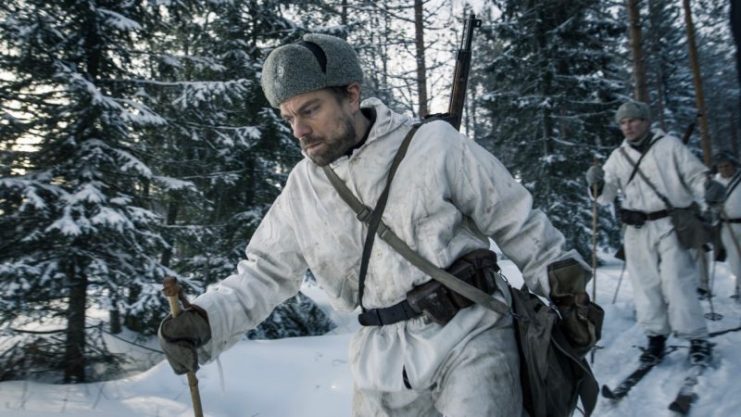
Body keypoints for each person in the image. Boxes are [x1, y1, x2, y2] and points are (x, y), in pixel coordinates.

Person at [159, 33, 591, 417]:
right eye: (289, 117)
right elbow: (264, 273)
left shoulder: (434, 147)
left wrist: (570, 298)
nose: (299, 130)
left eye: (310, 110)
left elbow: (519, 222)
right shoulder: (302, 188)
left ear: (351, 95)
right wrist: (206, 321)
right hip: (379, 361)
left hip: (471, 337)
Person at [585, 101, 724, 366]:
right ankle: (656, 339)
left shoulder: (669, 146)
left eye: (633, 121)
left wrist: (707, 188)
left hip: (671, 224)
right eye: (623, 123)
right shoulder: (618, 156)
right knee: (645, 285)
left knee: (677, 282)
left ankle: (697, 339)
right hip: (636, 230)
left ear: (646, 121)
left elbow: (694, 175)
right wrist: (597, 183)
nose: (628, 126)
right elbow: (604, 197)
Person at [713, 150, 741, 299]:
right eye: (721, 167)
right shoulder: (714, 183)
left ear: (733, 165)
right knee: (734, 258)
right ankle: (739, 286)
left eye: (727, 166)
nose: (724, 169)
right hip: (726, 226)